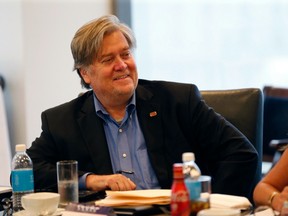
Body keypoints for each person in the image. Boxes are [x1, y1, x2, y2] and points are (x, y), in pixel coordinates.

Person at [27, 14, 258, 199]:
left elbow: (241, 154)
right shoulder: (62, 120)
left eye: (125, 54)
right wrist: (90, 179)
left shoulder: (179, 101)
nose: (122, 65)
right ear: (86, 73)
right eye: (108, 60)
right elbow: (28, 170)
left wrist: (209, 206)